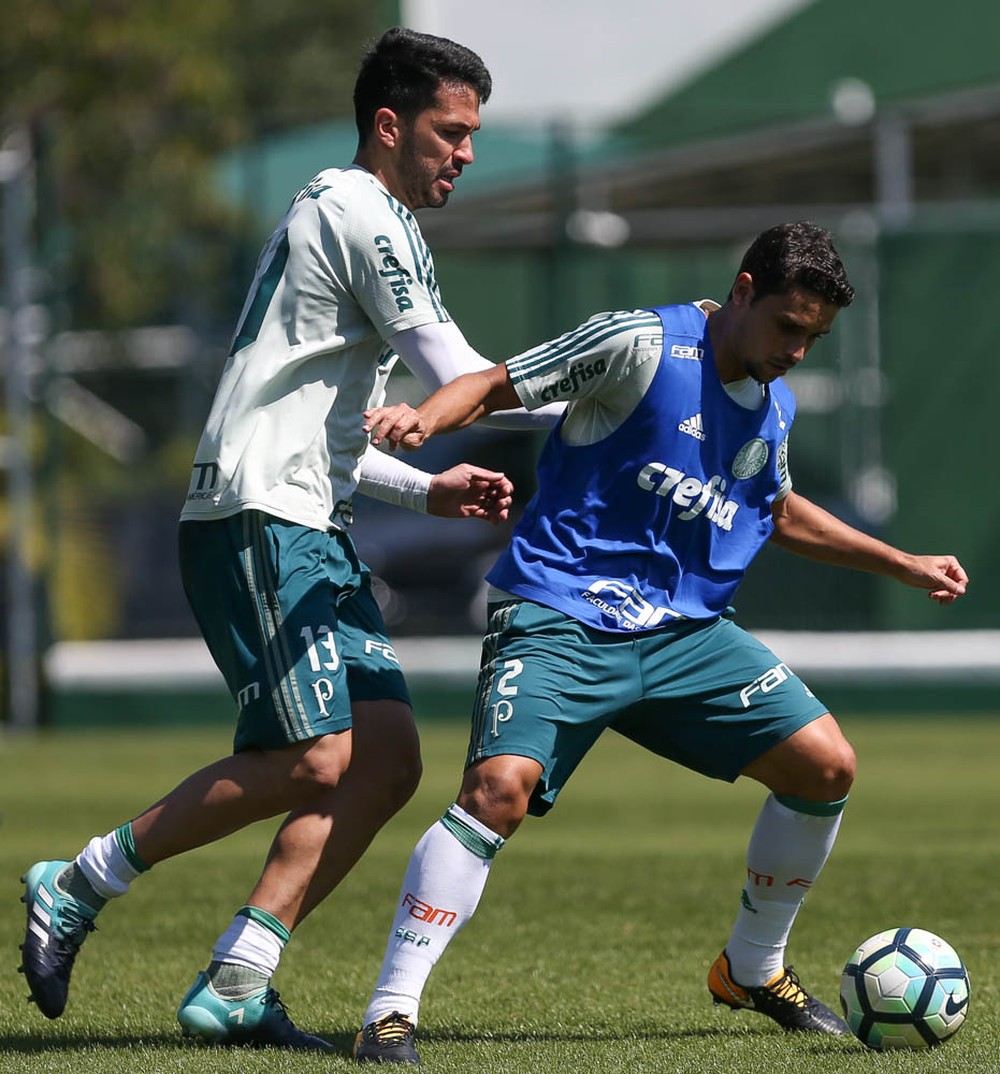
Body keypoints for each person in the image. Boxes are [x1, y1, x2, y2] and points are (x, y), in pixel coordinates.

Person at [19, 26, 560, 1049]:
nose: (466, 152)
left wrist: (427, 491)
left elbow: (332, 429)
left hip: (305, 515)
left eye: (473, 136)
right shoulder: (362, 211)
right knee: (314, 760)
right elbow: (460, 374)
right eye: (451, 132)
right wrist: (612, 388)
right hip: (262, 516)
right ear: (389, 124)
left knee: (384, 758)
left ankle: (239, 976)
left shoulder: (359, 216)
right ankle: (80, 880)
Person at [353, 221, 970, 1064]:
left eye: (815, 338)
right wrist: (424, 419)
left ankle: (751, 969)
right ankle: (390, 1011)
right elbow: (496, 384)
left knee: (826, 767)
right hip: (560, 613)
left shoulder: (773, 404)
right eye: (789, 327)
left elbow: (774, 510)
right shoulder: (638, 343)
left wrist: (901, 563)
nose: (797, 351)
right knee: (497, 792)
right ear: (744, 291)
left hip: (683, 635)